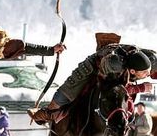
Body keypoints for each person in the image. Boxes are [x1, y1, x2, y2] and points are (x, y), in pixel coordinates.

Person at [29, 32, 157, 125]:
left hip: (118, 69)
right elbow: (114, 88)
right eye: (145, 73)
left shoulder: (150, 59)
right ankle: (45, 114)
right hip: (92, 67)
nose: (148, 74)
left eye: (149, 71)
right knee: (61, 99)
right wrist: (141, 87)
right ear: (133, 71)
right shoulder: (115, 65)